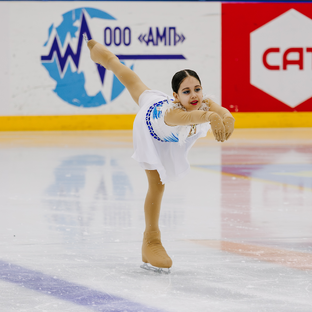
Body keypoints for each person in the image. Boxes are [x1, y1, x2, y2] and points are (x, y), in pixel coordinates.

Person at [84, 35, 235, 272]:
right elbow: (192, 117)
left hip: (156, 105)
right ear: (176, 97)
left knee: (130, 79)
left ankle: (103, 55)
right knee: (157, 185)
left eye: (197, 89)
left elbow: (217, 109)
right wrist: (211, 117)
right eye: (186, 91)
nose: (194, 95)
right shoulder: (174, 113)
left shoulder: (200, 101)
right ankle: (151, 240)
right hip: (151, 130)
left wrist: (227, 116)